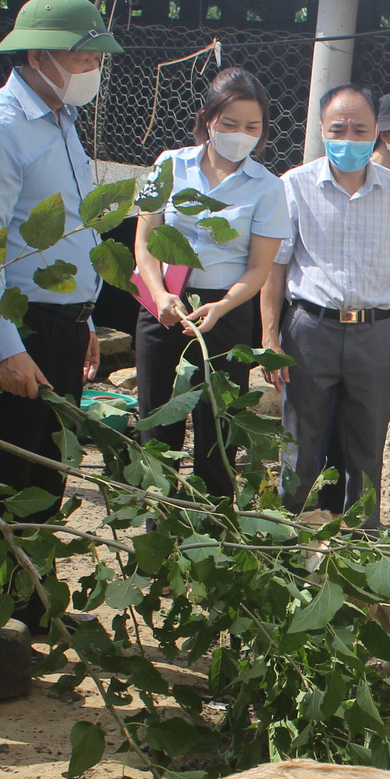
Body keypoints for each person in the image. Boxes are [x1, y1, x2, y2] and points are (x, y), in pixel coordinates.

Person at [0, 0, 122, 634]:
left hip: (62, 327)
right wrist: (5, 346)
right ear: (43, 53)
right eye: (83, 57)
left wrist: (83, 326)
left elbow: (72, 232)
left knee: (45, 473)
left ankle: (27, 609)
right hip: (19, 328)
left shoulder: (59, 123)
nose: (92, 70)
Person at [260, 83, 390, 524]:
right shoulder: (293, 186)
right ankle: (279, 544)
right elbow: (274, 267)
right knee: (300, 446)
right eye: (338, 129)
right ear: (320, 129)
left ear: (378, 133)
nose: (348, 138)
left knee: (367, 450)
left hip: (375, 335)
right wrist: (270, 336)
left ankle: (361, 553)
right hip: (310, 331)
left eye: (359, 129)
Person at [129, 66, 288, 497]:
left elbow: (259, 269)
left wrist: (221, 307)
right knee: (157, 427)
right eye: (229, 123)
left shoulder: (269, 189)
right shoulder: (167, 164)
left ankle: (214, 538)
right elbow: (144, 242)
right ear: (208, 119)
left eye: (252, 126)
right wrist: (160, 294)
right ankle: (158, 528)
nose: (241, 134)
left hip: (225, 315)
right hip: (164, 308)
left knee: (218, 432)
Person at [312, 90, 390, 512]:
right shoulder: (305, 184)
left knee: (366, 429)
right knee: (323, 427)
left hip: (381, 321)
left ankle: (357, 525)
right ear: (386, 133)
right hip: (327, 322)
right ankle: (321, 513)